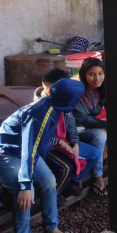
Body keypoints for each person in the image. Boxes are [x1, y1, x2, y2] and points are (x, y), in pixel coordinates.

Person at [0, 78, 84, 233]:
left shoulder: (56, 108)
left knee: (49, 180)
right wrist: (25, 184)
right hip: (6, 152)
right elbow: (28, 150)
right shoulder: (40, 113)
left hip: (27, 152)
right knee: (23, 191)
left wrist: (59, 143)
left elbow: (41, 141)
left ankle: (51, 228)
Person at [35, 69, 100, 200]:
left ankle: (71, 182)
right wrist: (59, 143)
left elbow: (71, 124)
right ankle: (54, 196)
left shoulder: (65, 99)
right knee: (67, 167)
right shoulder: (39, 107)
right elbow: (40, 138)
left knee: (95, 154)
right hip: (49, 147)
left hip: (65, 142)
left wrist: (75, 143)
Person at [72, 57, 108, 199]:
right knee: (100, 134)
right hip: (74, 130)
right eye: (91, 74)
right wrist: (107, 123)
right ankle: (97, 176)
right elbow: (83, 120)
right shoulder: (78, 91)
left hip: (89, 126)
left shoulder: (102, 89)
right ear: (83, 75)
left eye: (100, 73)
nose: (97, 78)